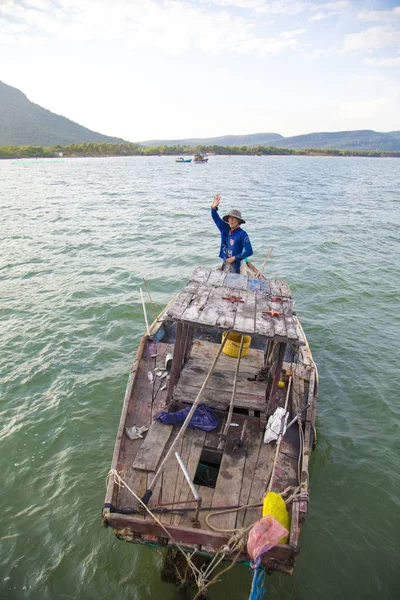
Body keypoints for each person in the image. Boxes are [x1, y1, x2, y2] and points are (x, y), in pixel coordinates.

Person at [211, 194, 253, 273]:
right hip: (225, 263)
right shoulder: (224, 228)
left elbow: (249, 251)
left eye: (234, 219)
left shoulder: (242, 234)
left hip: (235, 267)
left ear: (239, 221)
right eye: (230, 218)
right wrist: (213, 208)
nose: (231, 220)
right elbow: (216, 218)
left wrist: (234, 258)